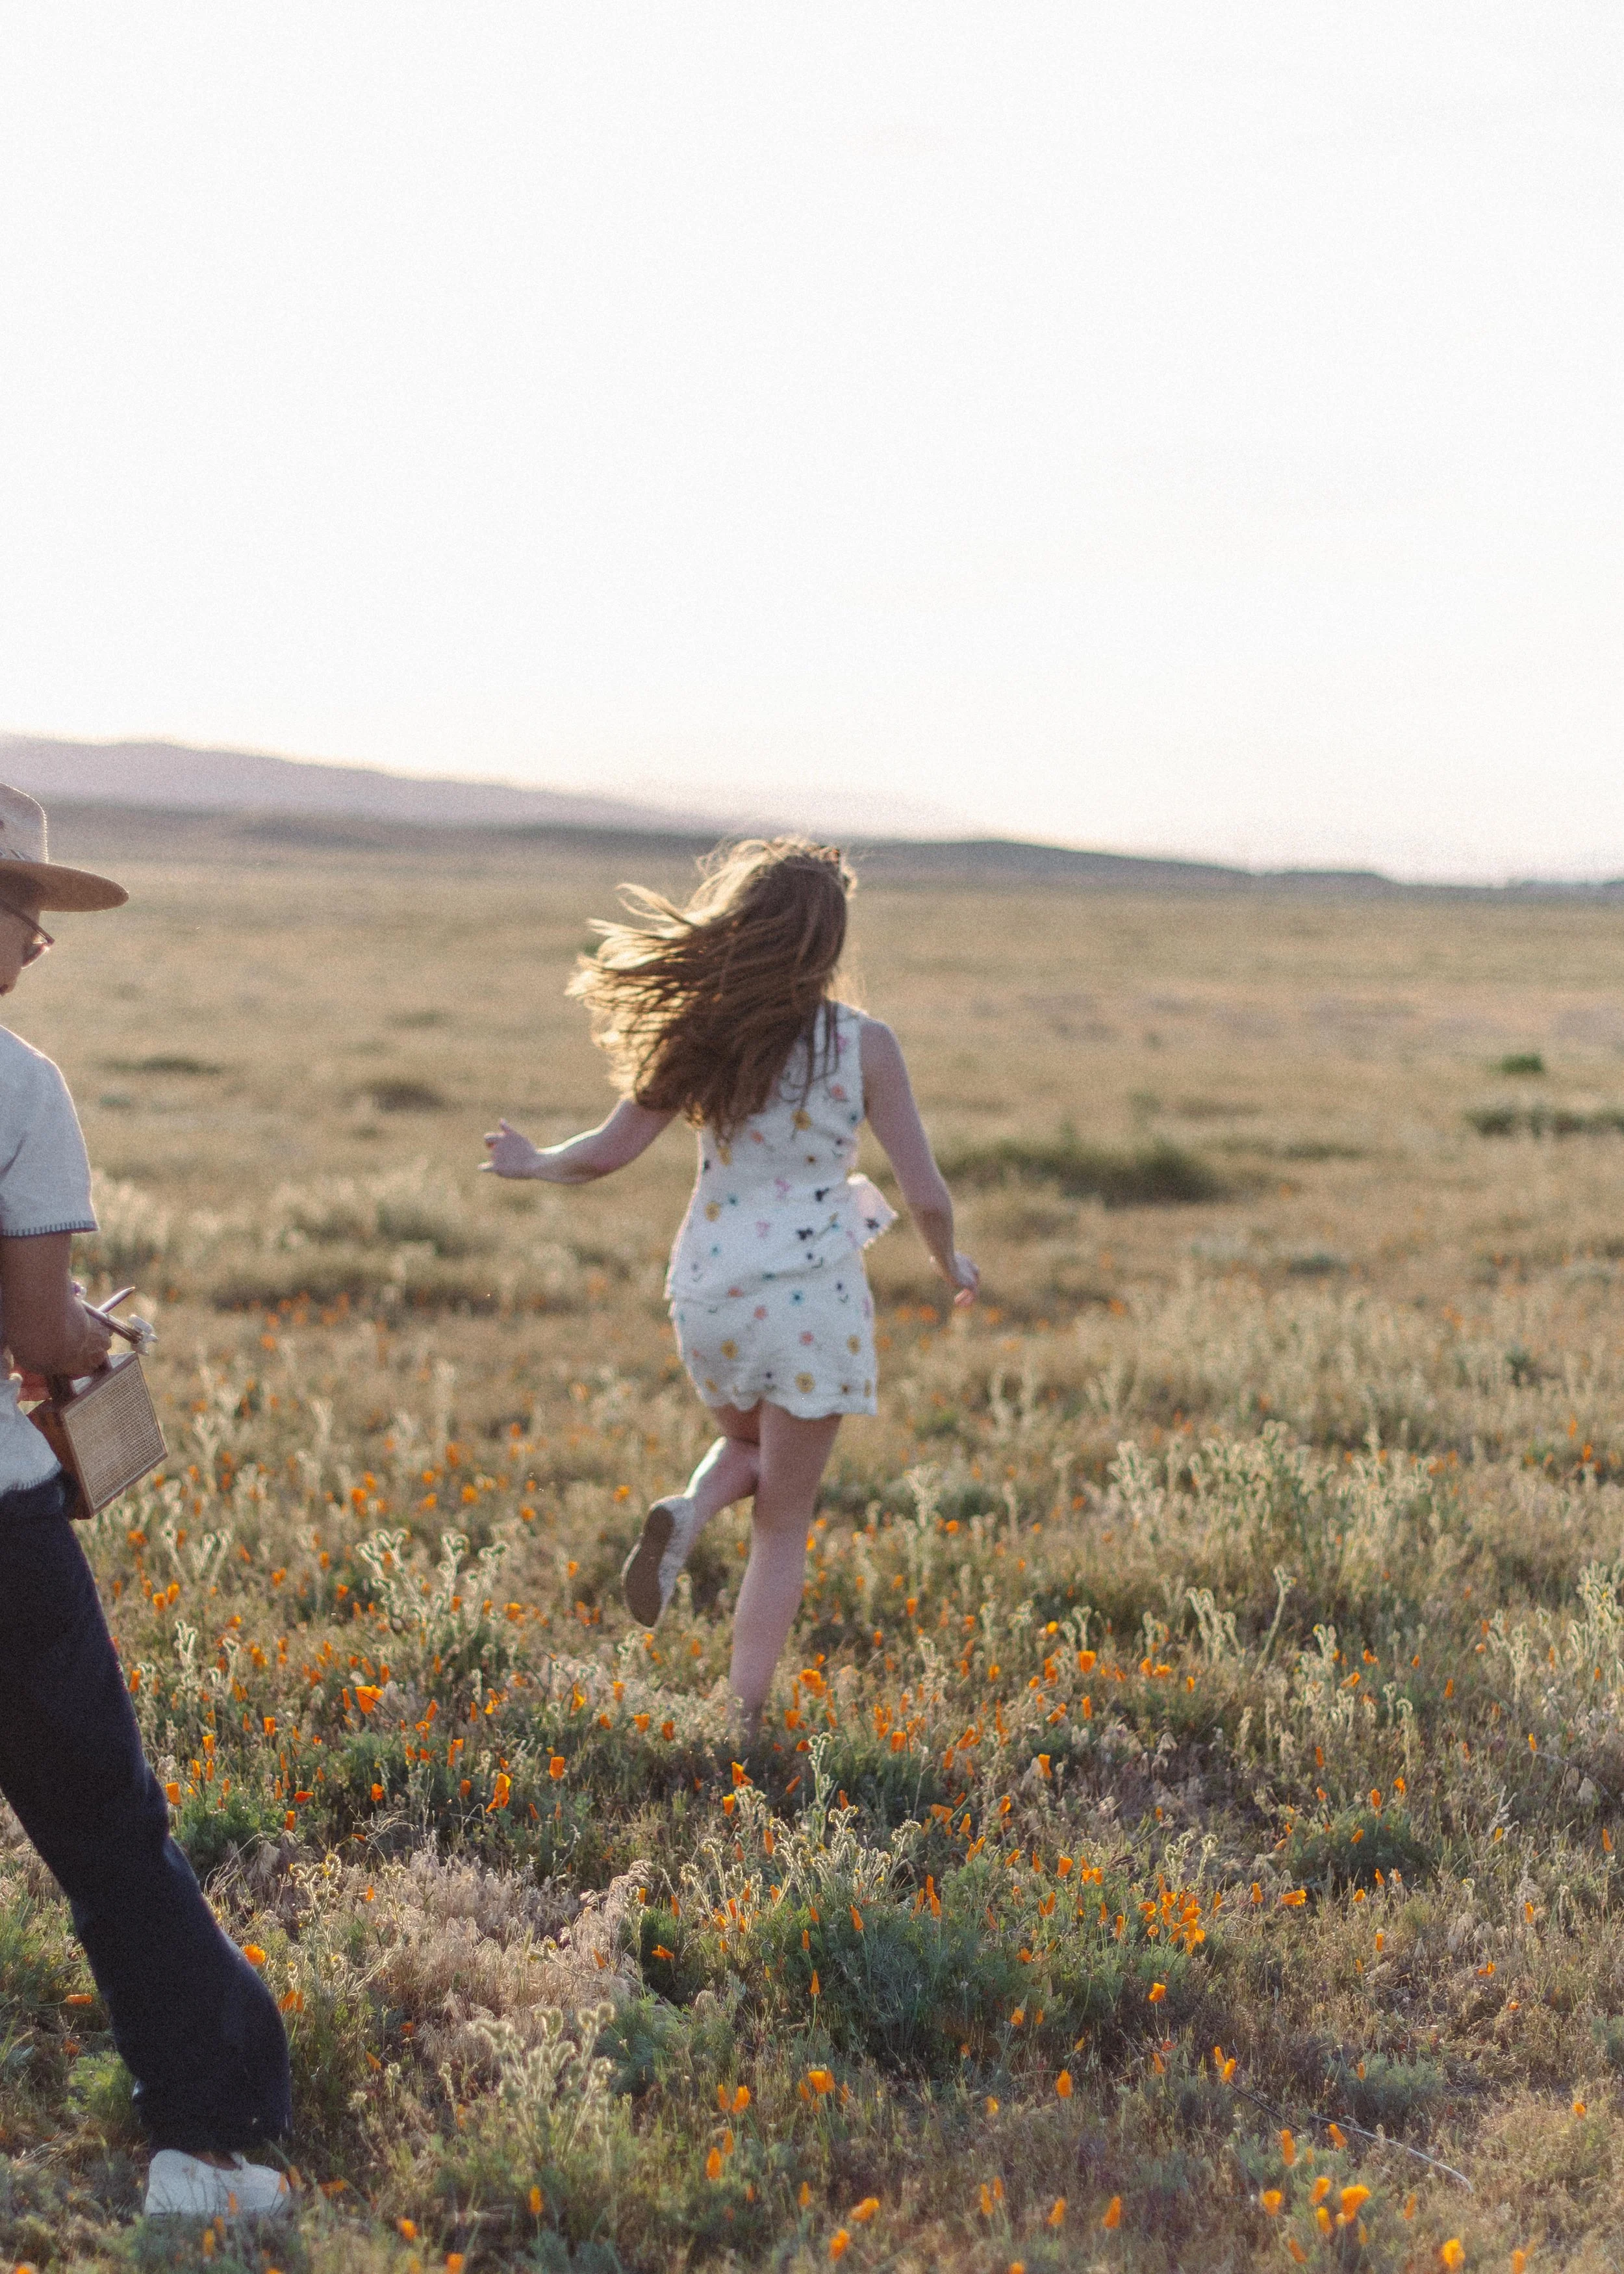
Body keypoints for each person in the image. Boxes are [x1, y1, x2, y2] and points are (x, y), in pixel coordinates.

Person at [484, 837, 978, 1739]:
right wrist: (953, 1265)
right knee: (783, 1525)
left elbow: (606, 1153)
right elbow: (926, 1195)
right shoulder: (865, 1046)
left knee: (750, 1450)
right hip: (812, 1301)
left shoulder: (707, 1035)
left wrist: (529, 1164)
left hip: (710, 1292)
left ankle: (692, 1504)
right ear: (828, 941)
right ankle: (742, 1716)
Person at [0, 787, 291, 2220]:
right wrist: (106, 1350)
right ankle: (213, 2147)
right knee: (106, 1828)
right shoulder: (19, 1083)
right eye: (20, 900)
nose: (42, 938)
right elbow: (45, 1332)